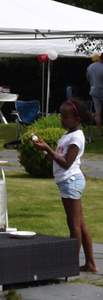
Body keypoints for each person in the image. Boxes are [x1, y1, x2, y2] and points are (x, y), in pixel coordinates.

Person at [32, 100, 98, 273]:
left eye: (66, 117)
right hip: (69, 181)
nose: (62, 119)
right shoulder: (68, 134)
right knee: (80, 223)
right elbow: (59, 158)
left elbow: (68, 163)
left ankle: (70, 264)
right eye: (61, 115)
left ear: (77, 119)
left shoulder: (76, 137)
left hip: (71, 180)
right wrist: (48, 152)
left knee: (74, 225)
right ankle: (90, 264)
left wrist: (48, 148)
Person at [87, 55, 103, 140]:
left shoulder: (90, 67)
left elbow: (88, 79)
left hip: (94, 91)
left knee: (97, 112)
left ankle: (100, 131)